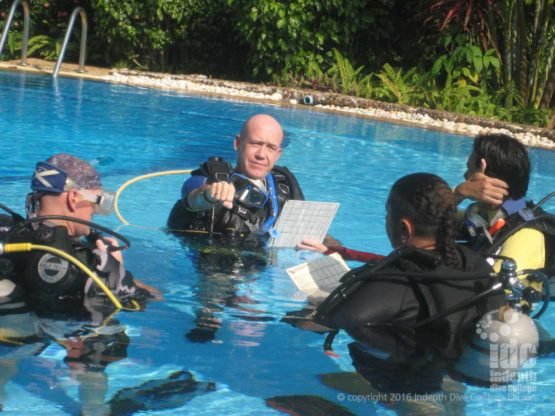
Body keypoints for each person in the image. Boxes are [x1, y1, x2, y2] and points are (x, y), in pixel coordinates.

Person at [314, 173, 505, 352]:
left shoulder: (395, 281)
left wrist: (311, 303)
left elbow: (336, 319)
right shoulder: (474, 263)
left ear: (404, 228)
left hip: (399, 383)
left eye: (387, 215)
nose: (386, 220)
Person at [1, 153, 155, 316]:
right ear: (74, 198)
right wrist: (114, 269)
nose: (95, 211)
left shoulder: (9, 231)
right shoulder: (76, 262)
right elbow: (139, 302)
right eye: (97, 202)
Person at [167, 114, 304, 240]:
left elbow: (306, 232)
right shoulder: (211, 177)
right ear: (237, 143)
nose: (261, 155)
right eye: (255, 144)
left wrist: (325, 246)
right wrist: (210, 194)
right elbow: (192, 198)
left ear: (278, 154)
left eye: (270, 148)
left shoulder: (286, 185)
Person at [456, 134, 555, 305]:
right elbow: (427, 218)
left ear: (484, 172)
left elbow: (503, 307)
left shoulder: (526, 237)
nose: (465, 175)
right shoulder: (486, 214)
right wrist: (458, 193)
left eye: (469, 169)